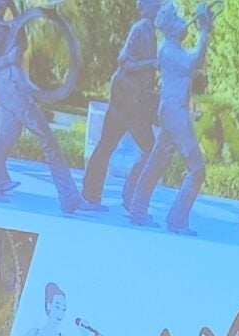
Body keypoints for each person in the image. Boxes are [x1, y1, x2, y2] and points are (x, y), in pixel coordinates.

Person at [0, 0, 82, 214]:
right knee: (47, 138)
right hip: (8, 86)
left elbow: (22, 44)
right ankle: (70, 198)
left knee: (6, 138)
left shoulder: (8, 24)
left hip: (17, 85)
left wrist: (18, 14)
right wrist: (8, 58)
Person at [122, 3, 216, 233]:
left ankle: (138, 210)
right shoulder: (169, 51)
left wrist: (206, 29)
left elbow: (195, 61)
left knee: (156, 164)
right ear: (170, 27)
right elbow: (196, 63)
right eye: (177, 19)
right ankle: (177, 219)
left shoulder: (173, 48)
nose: (183, 20)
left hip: (173, 111)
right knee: (197, 168)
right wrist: (204, 30)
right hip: (175, 113)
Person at [79, 0, 161, 210]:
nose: (160, 8)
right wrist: (151, 64)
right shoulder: (140, 29)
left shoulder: (150, 31)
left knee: (113, 146)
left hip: (134, 100)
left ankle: (120, 195)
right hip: (125, 98)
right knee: (144, 149)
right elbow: (125, 62)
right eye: (157, 4)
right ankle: (96, 195)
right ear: (148, 7)